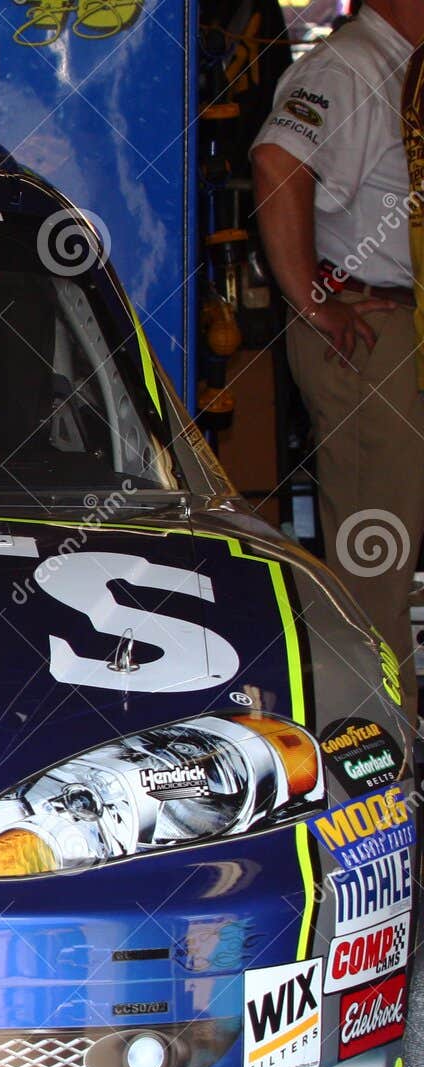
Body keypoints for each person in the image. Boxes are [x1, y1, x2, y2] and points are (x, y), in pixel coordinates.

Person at [252, 0, 424, 719]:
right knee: (375, 557)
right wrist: (315, 301)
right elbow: (277, 162)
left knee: (391, 545)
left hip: (397, 322)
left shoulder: (398, 66)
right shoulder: (351, 64)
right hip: (369, 328)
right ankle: (378, 741)